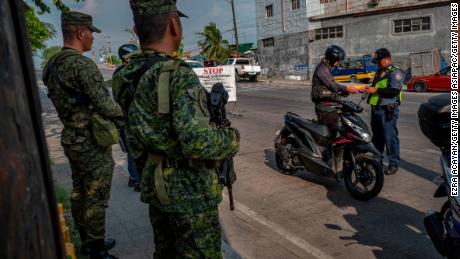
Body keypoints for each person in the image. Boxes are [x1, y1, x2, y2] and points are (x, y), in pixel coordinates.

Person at [118, 0, 240, 258]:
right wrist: (231, 138)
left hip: (155, 184)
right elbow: (198, 142)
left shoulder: (126, 74)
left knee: (166, 252)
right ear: (174, 25)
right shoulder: (177, 74)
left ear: (137, 32)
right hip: (189, 193)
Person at [42, 11, 123, 259]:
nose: (93, 39)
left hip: (70, 138)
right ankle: (96, 249)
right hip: (91, 141)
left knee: (79, 191)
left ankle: (86, 238)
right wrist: (124, 115)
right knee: (97, 196)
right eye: (91, 34)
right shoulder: (82, 65)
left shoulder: (52, 65)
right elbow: (105, 105)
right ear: (80, 33)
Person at [366, 48, 404, 175]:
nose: (377, 63)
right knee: (377, 138)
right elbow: (376, 86)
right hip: (376, 109)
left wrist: (376, 90)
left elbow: (394, 91)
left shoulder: (395, 72)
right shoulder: (379, 71)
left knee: (390, 138)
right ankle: (377, 162)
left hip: (387, 110)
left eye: (379, 61)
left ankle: (393, 163)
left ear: (388, 59)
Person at [311, 45, 363, 135]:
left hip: (330, 106)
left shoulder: (326, 68)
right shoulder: (322, 69)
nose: (338, 63)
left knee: (334, 131)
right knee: (329, 134)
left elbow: (332, 88)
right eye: (338, 60)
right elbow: (333, 85)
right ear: (332, 58)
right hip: (325, 108)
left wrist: (347, 91)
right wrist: (347, 88)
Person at [113, 43, 142, 192]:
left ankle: (133, 177)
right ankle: (137, 180)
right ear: (126, 59)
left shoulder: (122, 72)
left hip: (127, 119)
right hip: (128, 120)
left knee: (133, 150)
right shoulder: (124, 74)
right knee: (133, 151)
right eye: (134, 57)